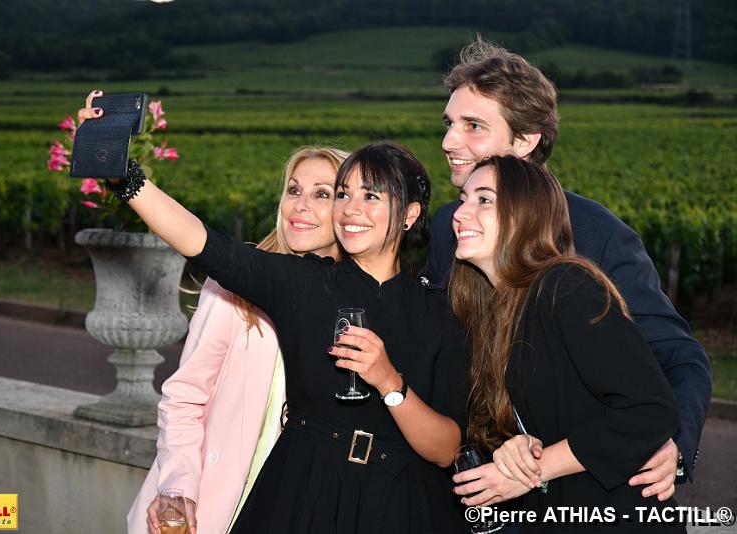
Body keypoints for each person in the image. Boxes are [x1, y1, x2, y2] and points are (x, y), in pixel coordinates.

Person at [77, 94, 469, 533]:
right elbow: (208, 245)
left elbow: (446, 448)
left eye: (371, 196)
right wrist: (124, 177)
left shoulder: (440, 310)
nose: (351, 209)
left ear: (411, 215)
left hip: (398, 506)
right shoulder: (303, 282)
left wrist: (389, 383)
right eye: (343, 194)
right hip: (303, 495)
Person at [425, 38, 711, 499]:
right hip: (473, 490)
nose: (448, 142)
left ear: (525, 141)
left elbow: (678, 357)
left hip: (578, 495)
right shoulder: (448, 227)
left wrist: (675, 444)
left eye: (472, 126)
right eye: (449, 123)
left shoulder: (596, 234)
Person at [450, 155, 684, 532]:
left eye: (484, 199)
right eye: (463, 199)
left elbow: (650, 410)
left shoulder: (565, 286)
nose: (460, 213)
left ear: (525, 214)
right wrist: (520, 444)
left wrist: (533, 470)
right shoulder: (497, 309)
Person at [127, 145, 350, 534]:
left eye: (322, 194)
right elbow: (185, 397)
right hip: (216, 505)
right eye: (294, 190)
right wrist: (178, 487)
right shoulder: (236, 284)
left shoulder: (357, 304)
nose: (300, 206)